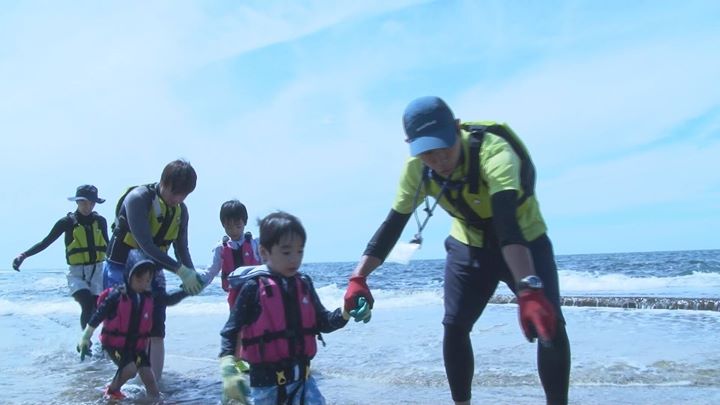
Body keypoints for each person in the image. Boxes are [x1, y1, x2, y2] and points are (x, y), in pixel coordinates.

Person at [342, 96, 571, 405]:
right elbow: (392, 226)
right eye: (427, 152)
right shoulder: (416, 170)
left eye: (444, 147)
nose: (439, 160)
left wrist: (528, 288)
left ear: (457, 127)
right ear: (411, 146)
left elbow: (507, 225)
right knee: (454, 326)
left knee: (549, 325)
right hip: (469, 245)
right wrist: (358, 278)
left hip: (524, 241)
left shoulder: (495, 152)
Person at [219, 211, 350, 405]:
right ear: (264, 252)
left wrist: (346, 311)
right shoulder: (253, 288)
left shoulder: (304, 284)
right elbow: (231, 329)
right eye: (287, 252)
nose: (294, 259)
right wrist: (228, 365)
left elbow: (323, 322)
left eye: (300, 251)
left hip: (304, 382)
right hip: (266, 387)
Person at [103, 158, 203, 380]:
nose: (177, 199)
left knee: (156, 330)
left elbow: (181, 248)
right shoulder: (138, 199)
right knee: (125, 330)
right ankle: (121, 380)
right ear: (163, 182)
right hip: (121, 268)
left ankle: (154, 386)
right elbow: (146, 246)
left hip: (153, 271)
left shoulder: (181, 211)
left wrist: (192, 274)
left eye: (184, 195)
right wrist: (180, 271)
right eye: (174, 193)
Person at [77, 250, 187, 400]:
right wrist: (85, 337)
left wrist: (186, 291)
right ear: (129, 276)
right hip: (116, 345)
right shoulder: (117, 295)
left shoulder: (148, 296)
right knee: (130, 369)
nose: (143, 284)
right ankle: (112, 391)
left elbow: (168, 300)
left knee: (151, 381)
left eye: (147, 280)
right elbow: (98, 315)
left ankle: (154, 400)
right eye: (139, 280)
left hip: (137, 346)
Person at [12, 184, 109, 330]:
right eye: (84, 202)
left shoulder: (100, 221)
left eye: (91, 203)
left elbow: (108, 245)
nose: (88, 206)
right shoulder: (66, 223)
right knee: (87, 304)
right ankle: (86, 341)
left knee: (95, 308)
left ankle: (89, 339)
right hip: (77, 274)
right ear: (77, 201)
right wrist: (23, 255)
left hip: (97, 272)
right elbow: (45, 242)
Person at [199, 199, 261, 308]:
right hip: (235, 297)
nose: (233, 230)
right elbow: (211, 272)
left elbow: (269, 265)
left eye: (238, 226)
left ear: (245, 222)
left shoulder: (255, 242)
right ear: (223, 225)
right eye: (229, 226)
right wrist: (195, 284)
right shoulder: (220, 248)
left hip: (257, 294)